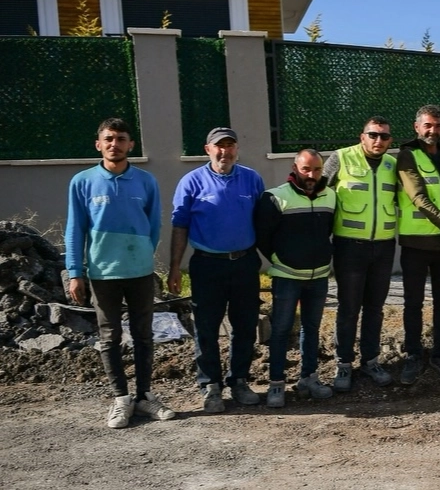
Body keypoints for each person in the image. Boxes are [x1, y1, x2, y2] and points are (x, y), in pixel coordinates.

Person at [65, 117, 173, 428]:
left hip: (140, 271)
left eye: (121, 138)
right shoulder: (82, 182)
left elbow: (154, 225)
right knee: (110, 337)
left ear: (131, 145)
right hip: (102, 273)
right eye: (109, 139)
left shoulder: (146, 181)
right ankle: (121, 399)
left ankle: (144, 396)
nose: (115, 144)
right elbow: (75, 229)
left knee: (143, 335)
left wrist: (142, 254)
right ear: (98, 144)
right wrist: (75, 272)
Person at [168, 127, 265, 413]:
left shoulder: (252, 179)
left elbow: (264, 220)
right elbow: (180, 226)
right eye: (219, 146)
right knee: (207, 327)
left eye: (230, 145)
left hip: (245, 263)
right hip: (207, 265)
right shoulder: (191, 182)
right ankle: (210, 385)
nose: (225, 151)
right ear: (208, 149)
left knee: (245, 325)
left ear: (237, 149)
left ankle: (239, 381)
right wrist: (174, 267)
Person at [254, 149, 336, 408]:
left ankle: (309, 378)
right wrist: (281, 259)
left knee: (311, 329)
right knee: (280, 330)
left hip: (319, 277)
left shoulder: (331, 196)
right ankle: (276, 383)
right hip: (287, 277)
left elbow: (328, 231)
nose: (312, 175)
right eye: (306, 169)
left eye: (317, 169)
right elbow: (263, 236)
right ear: (295, 168)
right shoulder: (275, 197)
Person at [323, 116, 399, 391]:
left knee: (375, 308)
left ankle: (370, 361)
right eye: (373, 135)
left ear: (390, 140)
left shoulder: (393, 164)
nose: (379, 141)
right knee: (348, 307)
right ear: (362, 136)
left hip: (384, 246)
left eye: (384, 136)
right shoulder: (341, 158)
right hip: (349, 246)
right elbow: (319, 192)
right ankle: (343, 363)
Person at [396, 105, 440, 385]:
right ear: (417, 127)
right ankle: (413, 355)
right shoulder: (408, 154)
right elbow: (418, 197)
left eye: (437, 126)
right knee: (413, 303)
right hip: (416, 243)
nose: (432, 131)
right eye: (427, 125)